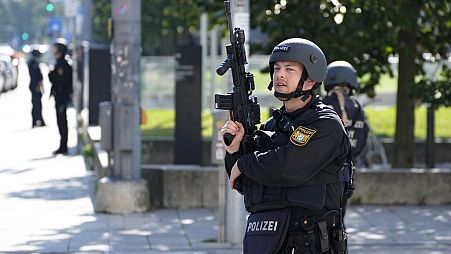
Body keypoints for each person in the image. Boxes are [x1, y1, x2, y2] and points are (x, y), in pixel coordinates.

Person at [220, 38, 351, 253]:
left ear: (310, 79)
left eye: (290, 69)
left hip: (311, 242)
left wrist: (244, 163)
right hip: (271, 240)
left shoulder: (326, 124)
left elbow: (290, 166)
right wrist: (234, 150)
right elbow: (245, 184)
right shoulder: (274, 125)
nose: (280, 74)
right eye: (277, 68)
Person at [322, 60, 369, 219]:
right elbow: (362, 139)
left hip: (322, 175)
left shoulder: (322, 105)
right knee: (339, 218)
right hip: (347, 173)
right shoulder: (357, 107)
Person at [48, 38, 72, 155]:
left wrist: (51, 74)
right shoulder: (59, 63)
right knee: (60, 121)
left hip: (62, 97)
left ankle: (63, 147)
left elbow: (60, 81)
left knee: (62, 122)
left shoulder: (62, 64)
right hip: (60, 96)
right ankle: (62, 145)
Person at [27, 49, 46, 127]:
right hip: (35, 86)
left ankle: (39, 120)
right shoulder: (32, 64)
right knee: (36, 104)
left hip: (36, 86)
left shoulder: (35, 63)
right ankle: (36, 120)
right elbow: (35, 77)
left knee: (38, 104)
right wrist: (39, 85)